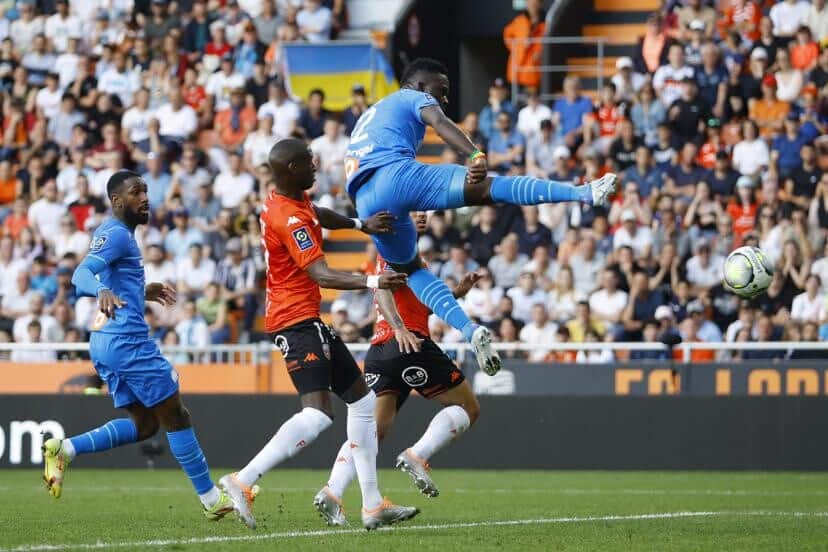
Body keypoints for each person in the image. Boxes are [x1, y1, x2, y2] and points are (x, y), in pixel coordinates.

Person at [344, 58, 617, 377]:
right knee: (490, 188)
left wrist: (365, 220)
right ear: (420, 85)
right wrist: (474, 153)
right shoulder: (413, 96)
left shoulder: (370, 114)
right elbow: (441, 123)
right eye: (441, 90)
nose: (443, 98)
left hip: (365, 203)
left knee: (411, 268)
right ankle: (583, 193)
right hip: (394, 175)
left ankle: (471, 331)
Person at [219, 139, 418, 531]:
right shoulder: (289, 219)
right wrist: (374, 280)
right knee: (317, 413)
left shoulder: (290, 201)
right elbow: (322, 274)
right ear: (292, 168)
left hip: (308, 317)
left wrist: (360, 225)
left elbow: (317, 214)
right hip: (294, 319)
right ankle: (242, 480)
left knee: (362, 403)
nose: (316, 165)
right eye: (309, 162)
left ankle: (373, 504)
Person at [42, 171, 235, 520]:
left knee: (146, 425)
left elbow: (112, 277)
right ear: (117, 201)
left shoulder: (120, 234)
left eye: (146, 190)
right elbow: (80, 274)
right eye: (136, 192)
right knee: (176, 416)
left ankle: (64, 449)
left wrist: (140, 291)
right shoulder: (116, 234)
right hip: (126, 341)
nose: (145, 197)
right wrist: (98, 289)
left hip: (104, 341)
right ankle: (211, 499)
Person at [315, 211, 481, 524]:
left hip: (380, 352)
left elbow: (418, 302)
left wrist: (457, 292)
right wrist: (399, 327)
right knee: (468, 407)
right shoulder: (395, 249)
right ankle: (417, 455)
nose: (420, 217)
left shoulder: (414, 260)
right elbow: (383, 289)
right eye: (412, 213)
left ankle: (333, 490)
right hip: (408, 343)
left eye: (423, 213)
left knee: (371, 431)